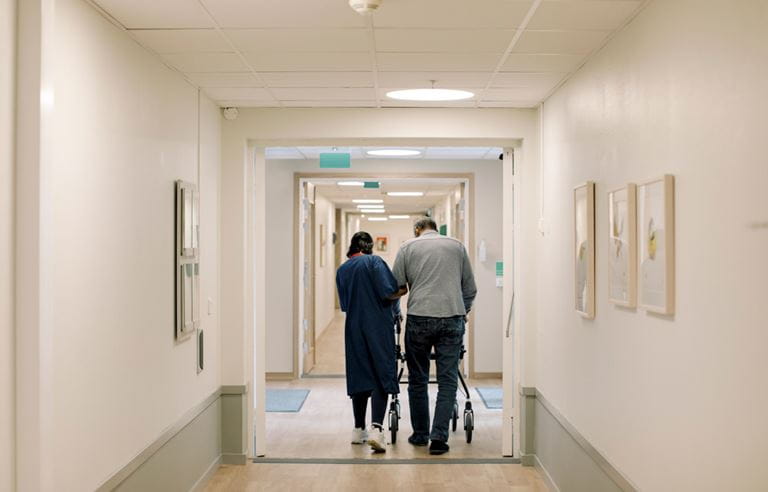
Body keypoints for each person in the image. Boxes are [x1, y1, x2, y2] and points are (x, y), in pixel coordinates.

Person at [391, 217, 477, 455]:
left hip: (419, 317)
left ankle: (420, 435)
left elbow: (397, 286)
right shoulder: (457, 246)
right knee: (448, 379)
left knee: (418, 379)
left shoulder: (408, 247)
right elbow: (469, 288)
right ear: (435, 228)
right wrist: (462, 311)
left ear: (418, 230)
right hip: (452, 317)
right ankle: (439, 438)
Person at [336, 231, 402, 453]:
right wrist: (403, 289)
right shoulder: (374, 261)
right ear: (370, 246)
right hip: (377, 326)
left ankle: (358, 429)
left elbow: (345, 305)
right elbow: (389, 292)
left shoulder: (343, 270)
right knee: (381, 373)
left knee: (359, 373)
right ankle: (376, 428)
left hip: (354, 327)